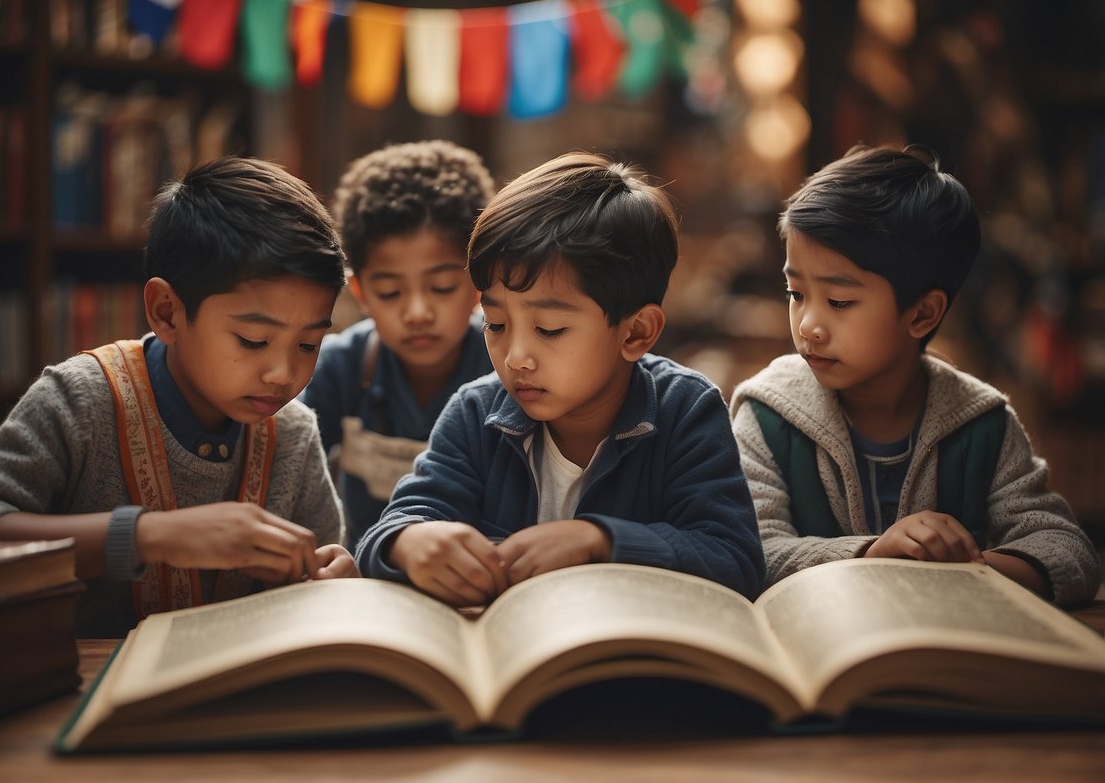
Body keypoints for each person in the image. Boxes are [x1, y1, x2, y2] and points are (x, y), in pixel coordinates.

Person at [0, 156, 359, 637]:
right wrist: (146, 536)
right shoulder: (82, 401)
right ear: (166, 312)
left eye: (309, 344)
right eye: (252, 340)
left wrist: (332, 577)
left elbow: (320, 567)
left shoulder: (292, 433)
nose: (284, 374)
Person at [355, 151, 765, 606]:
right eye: (495, 324)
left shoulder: (685, 411)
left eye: (550, 330)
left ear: (636, 332)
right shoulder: (475, 412)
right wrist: (409, 543)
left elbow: (735, 560)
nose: (515, 358)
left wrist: (599, 541)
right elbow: (394, 525)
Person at [728, 144, 1100, 606]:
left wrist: (968, 568)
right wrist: (873, 554)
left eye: (839, 302)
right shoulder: (766, 415)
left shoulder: (981, 424)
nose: (807, 325)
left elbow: (1069, 551)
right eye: (795, 292)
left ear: (922, 314)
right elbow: (747, 549)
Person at [298, 140, 496, 549]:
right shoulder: (341, 368)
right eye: (390, 292)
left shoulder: (507, 369)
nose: (417, 312)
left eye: (441, 287)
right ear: (361, 293)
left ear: (478, 283)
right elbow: (289, 461)